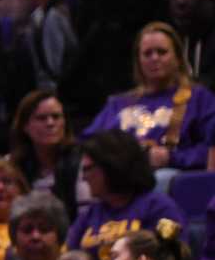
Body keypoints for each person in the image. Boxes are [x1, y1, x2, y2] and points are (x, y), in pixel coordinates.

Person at [87, 22, 215, 171]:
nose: (154, 58)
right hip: (118, 177)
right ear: (138, 61)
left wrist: (172, 157)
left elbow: (210, 149)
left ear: (178, 58)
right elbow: (89, 143)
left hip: (170, 177)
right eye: (147, 53)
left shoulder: (198, 98)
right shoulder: (118, 103)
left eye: (162, 52)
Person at [68, 130, 187, 260]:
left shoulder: (159, 207)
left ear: (111, 166)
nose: (84, 177)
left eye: (87, 169)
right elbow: (67, 258)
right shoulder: (90, 214)